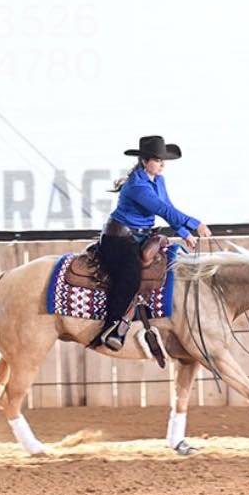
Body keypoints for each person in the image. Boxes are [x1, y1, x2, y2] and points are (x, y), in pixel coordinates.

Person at [92, 135, 212, 351]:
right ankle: (111, 326)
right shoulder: (137, 186)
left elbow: (167, 206)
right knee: (131, 276)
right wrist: (196, 224)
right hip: (119, 238)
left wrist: (184, 232)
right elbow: (162, 209)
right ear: (145, 161)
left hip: (140, 235)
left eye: (163, 159)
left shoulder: (158, 180)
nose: (162, 163)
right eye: (157, 159)